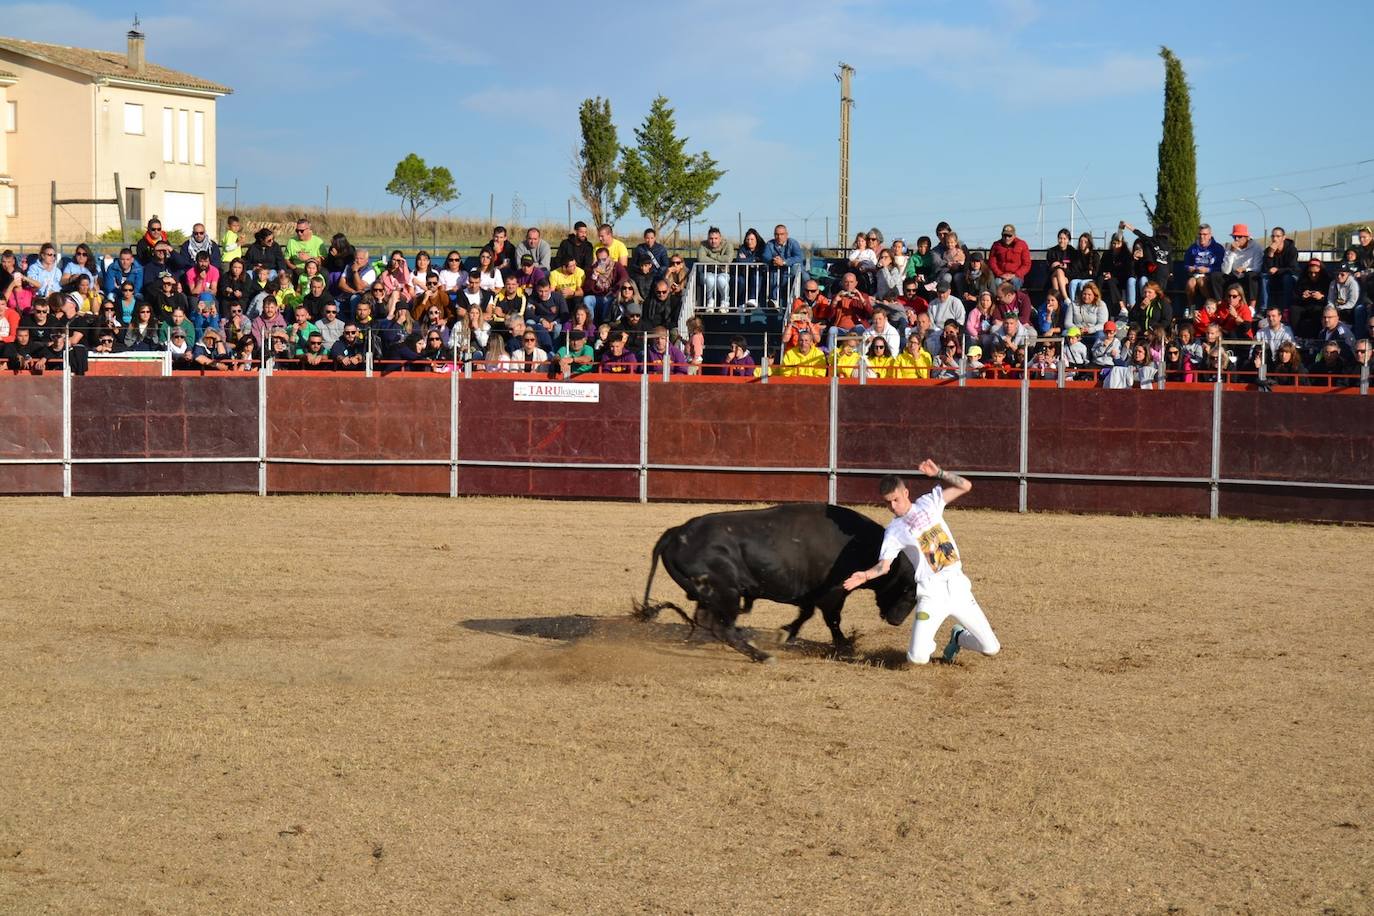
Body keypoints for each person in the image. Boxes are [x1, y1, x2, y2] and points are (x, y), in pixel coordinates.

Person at [843, 463, 999, 666]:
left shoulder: (928, 502)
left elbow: (965, 486)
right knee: (916, 658)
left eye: (896, 500)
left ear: (906, 492)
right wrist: (865, 576)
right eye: (887, 503)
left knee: (991, 648)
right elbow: (884, 566)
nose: (893, 506)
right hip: (931, 594)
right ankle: (932, 644)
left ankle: (958, 637)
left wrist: (940, 473)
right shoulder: (893, 531)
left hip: (958, 587)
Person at [1183, 223, 1226, 309]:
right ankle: (1191, 307)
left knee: (1201, 281)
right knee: (1190, 283)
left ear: (1210, 235)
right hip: (1195, 274)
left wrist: (1207, 270)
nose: (1202, 237)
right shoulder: (1192, 248)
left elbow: (1222, 267)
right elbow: (1186, 264)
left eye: (1205, 234)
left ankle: (1211, 306)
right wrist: (1190, 268)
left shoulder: (1218, 248)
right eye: (1200, 234)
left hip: (1211, 276)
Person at [1216, 223, 1263, 302]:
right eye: (1234, 237)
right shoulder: (1230, 247)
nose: (1236, 239)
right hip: (1233, 275)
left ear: (1247, 238)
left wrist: (1245, 269)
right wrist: (1232, 252)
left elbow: (1257, 268)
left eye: (1240, 237)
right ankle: (1219, 304)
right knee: (1216, 276)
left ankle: (1252, 306)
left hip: (1247, 275)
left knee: (1252, 276)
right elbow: (1225, 271)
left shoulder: (1256, 247)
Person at [762, 224, 805, 305]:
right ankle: (774, 300)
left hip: (791, 272)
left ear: (786, 235)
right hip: (777, 271)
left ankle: (802, 300)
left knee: (805, 277)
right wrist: (773, 261)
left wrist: (784, 262)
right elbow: (765, 256)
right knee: (774, 273)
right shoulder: (770, 244)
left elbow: (799, 257)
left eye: (782, 234)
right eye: (777, 234)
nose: (779, 237)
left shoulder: (793, 243)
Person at [696, 226, 734, 312]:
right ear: (708, 238)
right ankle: (710, 301)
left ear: (720, 238)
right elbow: (701, 259)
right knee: (710, 279)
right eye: (711, 238)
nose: (713, 241)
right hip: (707, 272)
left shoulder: (728, 245)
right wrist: (719, 262)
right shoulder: (703, 245)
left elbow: (728, 259)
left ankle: (725, 302)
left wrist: (712, 256)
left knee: (721, 280)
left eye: (716, 238)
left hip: (723, 273)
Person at [1262, 227, 1299, 313]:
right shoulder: (1268, 250)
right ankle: (1264, 309)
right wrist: (1270, 254)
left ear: (1283, 237)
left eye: (1278, 236)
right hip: (1274, 277)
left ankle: (1286, 309)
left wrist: (1278, 270)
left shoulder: (1291, 249)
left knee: (1287, 278)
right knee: (1264, 277)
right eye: (1273, 236)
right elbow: (1265, 269)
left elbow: (1292, 268)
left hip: (1288, 275)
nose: (1275, 239)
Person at [988, 224, 1030, 290]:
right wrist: (1000, 274)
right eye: (1004, 235)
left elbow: (1026, 264)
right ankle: (998, 299)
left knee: (1015, 282)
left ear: (1014, 235)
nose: (1007, 238)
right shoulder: (996, 245)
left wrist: (1015, 275)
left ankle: (1015, 299)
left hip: (1016, 276)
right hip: (1000, 276)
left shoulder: (1022, 244)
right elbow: (992, 263)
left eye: (1009, 235)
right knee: (997, 282)